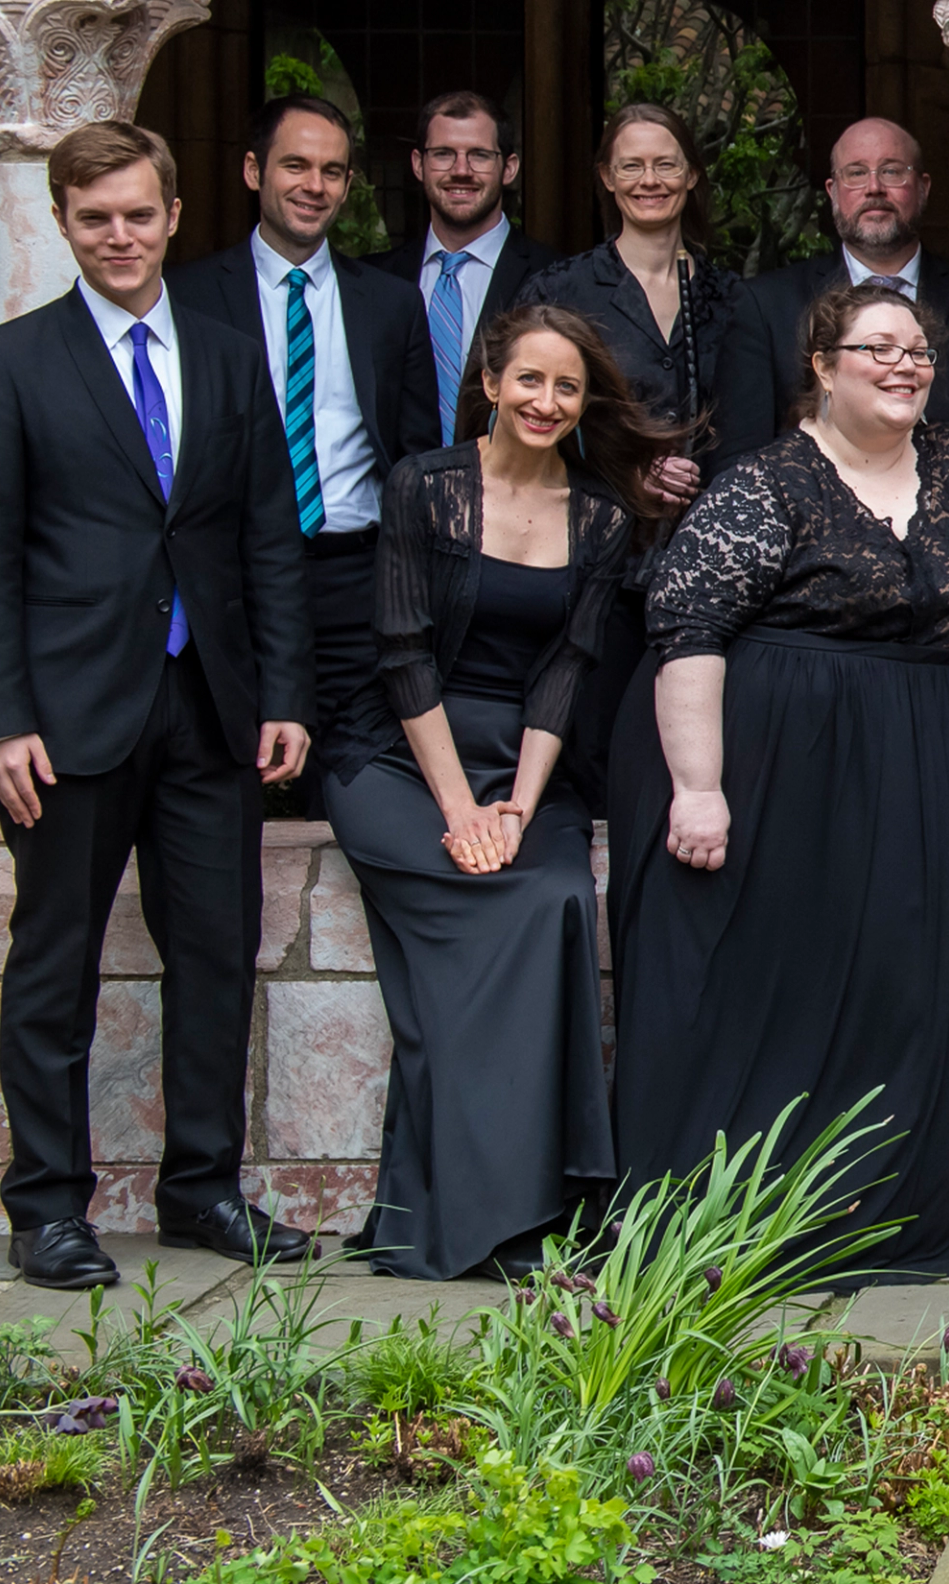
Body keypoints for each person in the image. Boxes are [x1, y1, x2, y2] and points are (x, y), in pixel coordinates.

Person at [614, 283, 949, 1279]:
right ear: (820, 365)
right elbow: (687, 633)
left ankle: (899, 1215)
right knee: (781, 984)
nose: (905, 365)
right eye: (877, 348)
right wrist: (699, 787)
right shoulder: (765, 483)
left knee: (916, 984)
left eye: (918, 350)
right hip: (782, 771)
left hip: (941, 760)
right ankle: (743, 1218)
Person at [0, 122, 316, 1287]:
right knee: (54, 965)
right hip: (64, 722)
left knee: (214, 957)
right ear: (62, 221)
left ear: (174, 215)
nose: (120, 235)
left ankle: (203, 1189)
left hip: (209, 709)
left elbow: (268, 538)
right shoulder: (8, 365)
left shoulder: (225, 353)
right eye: (95, 216)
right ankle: (47, 1208)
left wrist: (284, 692)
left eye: (138, 214)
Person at [325, 305, 679, 1281]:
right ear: (489, 381)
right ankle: (495, 1216)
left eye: (566, 387)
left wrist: (518, 807)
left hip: (524, 766)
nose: (546, 401)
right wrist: (461, 812)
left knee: (558, 894)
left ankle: (520, 1210)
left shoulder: (601, 516)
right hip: (401, 762)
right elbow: (402, 660)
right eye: (529, 380)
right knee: (498, 909)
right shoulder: (423, 487)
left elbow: (566, 669)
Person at [167, 95, 443, 807]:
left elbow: (417, 456)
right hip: (237, 580)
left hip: (357, 578)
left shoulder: (390, 304)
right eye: (295, 165)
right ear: (254, 170)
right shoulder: (186, 297)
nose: (313, 186)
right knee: (236, 777)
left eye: (331, 171)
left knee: (356, 786)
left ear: (349, 185)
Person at [717, 118, 949, 461]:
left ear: (923, 187)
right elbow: (739, 459)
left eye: (892, 171)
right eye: (855, 173)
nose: (874, 188)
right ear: (832, 191)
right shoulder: (764, 307)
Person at [524, 104, 731, 500]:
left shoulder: (732, 299)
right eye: (631, 166)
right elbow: (517, 419)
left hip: (712, 535)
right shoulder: (559, 292)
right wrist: (624, 473)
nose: (649, 181)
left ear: (691, 175)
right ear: (607, 177)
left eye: (666, 165)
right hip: (591, 532)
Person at [412, 91, 538, 445]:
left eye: (479, 156)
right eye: (443, 155)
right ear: (418, 164)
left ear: (509, 168)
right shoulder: (377, 282)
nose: (461, 171)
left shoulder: (555, 276)